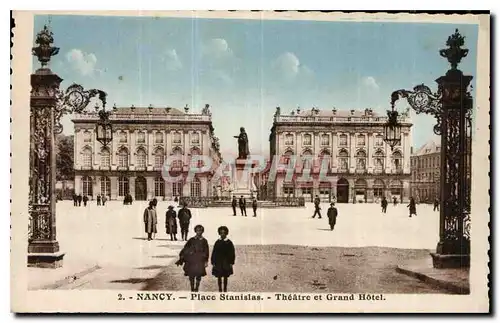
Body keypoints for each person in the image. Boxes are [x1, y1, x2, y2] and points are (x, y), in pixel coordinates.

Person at [176, 224, 209, 292]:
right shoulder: (191, 240)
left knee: (198, 275)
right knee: (191, 275)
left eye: (200, 231)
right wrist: (182, 256)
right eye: (197, 231)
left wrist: (206, 261)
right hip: (192, 260)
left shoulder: (204, 241)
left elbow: (206, 251)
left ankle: (196, 288)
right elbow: (185, 248)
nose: (198, 232)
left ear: (202, 232)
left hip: (200, 260)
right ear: (195, 231)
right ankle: (192, 288)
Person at [211, 226, 235, 293]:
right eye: (221, 233)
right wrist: (213, 261)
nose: (222, 234)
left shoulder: (229, 242)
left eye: (224, 233)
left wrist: (231, 262)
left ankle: (225, 289)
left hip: (226, 262)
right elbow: (214, 252)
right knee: (219, 276)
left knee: (225, 277)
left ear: (226, 233)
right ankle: (220, 289)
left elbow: (232, 253)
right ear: (219, 233)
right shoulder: (217, 242)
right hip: (218, 262)